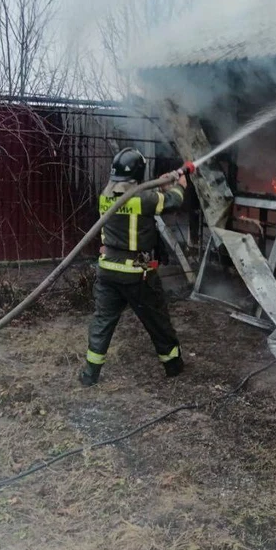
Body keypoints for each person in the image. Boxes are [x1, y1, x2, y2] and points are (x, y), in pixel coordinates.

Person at [79, 147, 187, 386]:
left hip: (107, 271)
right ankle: (173, 366)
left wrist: (160, 184)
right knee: (157, 321)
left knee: (102, 321)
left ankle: (89, 374)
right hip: (137, 274)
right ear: (139, 172)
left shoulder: (105, 195)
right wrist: (179, 185)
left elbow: (139, 197)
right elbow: (173, 202)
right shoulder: (143, 199)